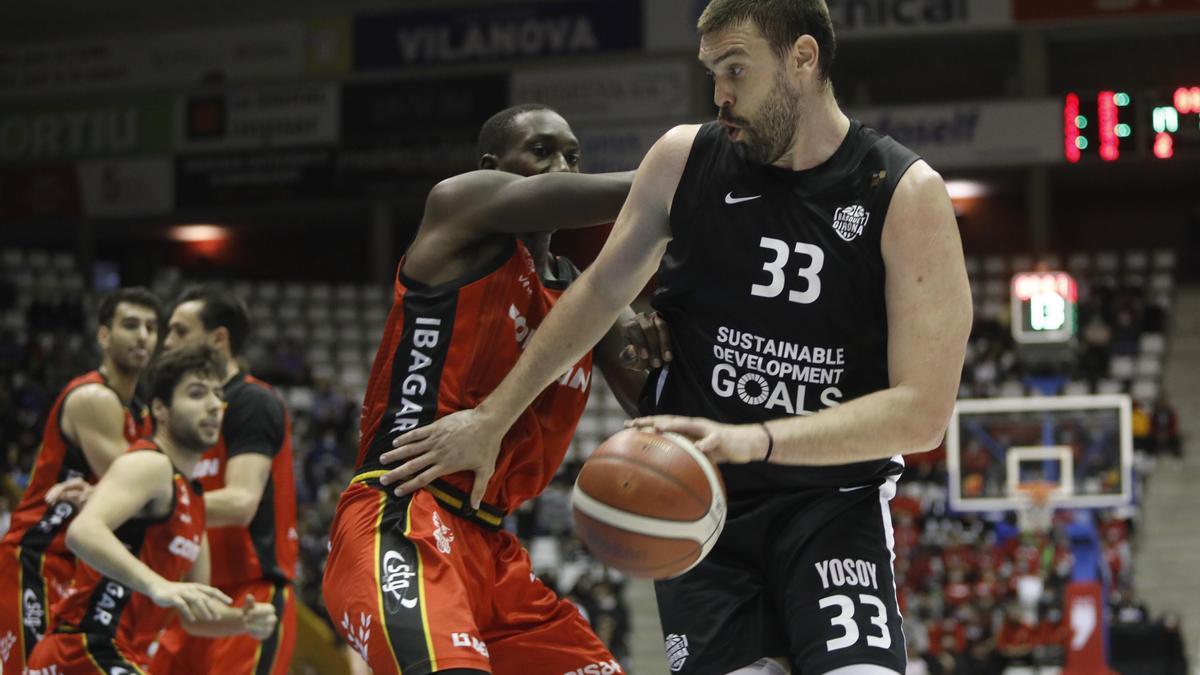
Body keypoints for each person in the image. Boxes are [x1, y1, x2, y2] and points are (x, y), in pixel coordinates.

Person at [381, 1, 973, 673]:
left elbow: (923, 414)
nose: (719, 94)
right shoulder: (684, 157)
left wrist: (760, 438)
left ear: (803, 59)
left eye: (736, 70)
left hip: (833, 505)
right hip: (699, 506)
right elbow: (600, 292)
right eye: (712, 73)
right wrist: (493, 415)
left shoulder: (904, 192)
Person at [322, 103, 647, 675]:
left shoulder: (583, 295)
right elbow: (630, 196)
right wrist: (694, 169)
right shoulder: (460, 207)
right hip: (401, 515)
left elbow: (657, 398)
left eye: (573, 156)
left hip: (494, 552)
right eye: (542, 152)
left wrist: (668, 328)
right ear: (493, 165)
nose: (564, 168)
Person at [26, 344, 277, 673]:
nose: (215, 406)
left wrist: (241, 620)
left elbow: (193, 617)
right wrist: (159, 584)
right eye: (197, 394)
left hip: (118, 656)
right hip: (82, 647)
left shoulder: (196, 499)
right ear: (160, 408)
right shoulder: (150, 464)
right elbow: (83, 532)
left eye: (218, 395)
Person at [0, 287, 160, 674]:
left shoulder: (141, 412)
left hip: (79, 565)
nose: (142, 336)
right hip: (38, 557)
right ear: (104, 336)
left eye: (151, 328)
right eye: (131, 325)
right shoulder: (94, 398)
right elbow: (137, 494)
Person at [150, 285, 298, 674]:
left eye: (180, 331)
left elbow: (240, 503)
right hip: (186, 595)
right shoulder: (170, 411)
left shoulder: (251, 402)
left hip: (248, 592)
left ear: (218, 339)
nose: (166, 342)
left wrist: (152, 503)